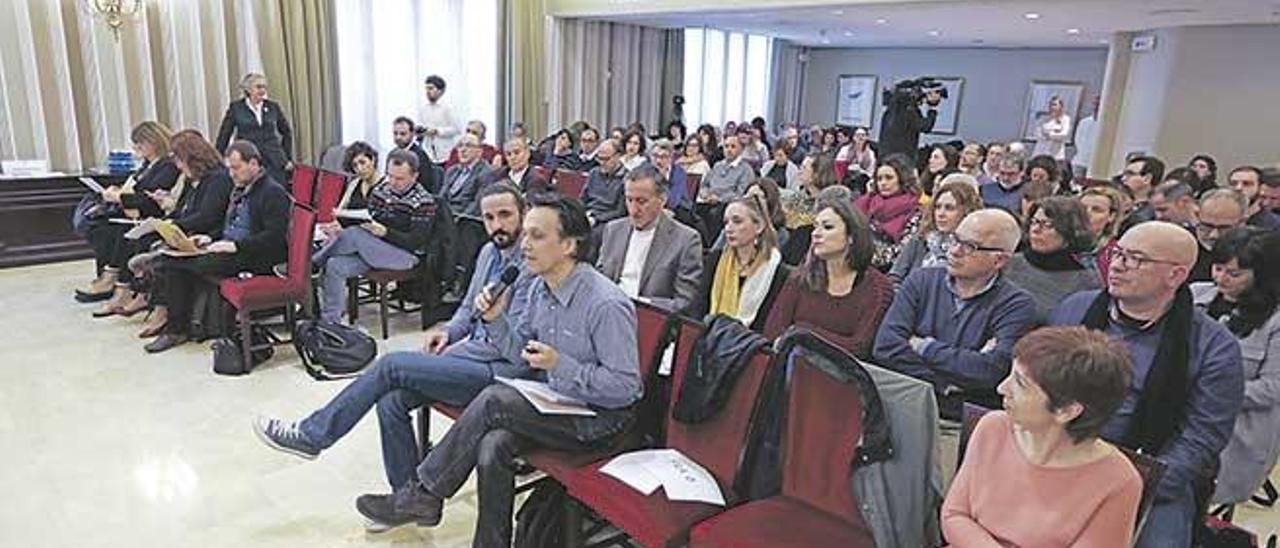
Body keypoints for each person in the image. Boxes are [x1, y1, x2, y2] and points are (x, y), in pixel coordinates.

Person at [357, 195, 641, 548]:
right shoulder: (540, 287)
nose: (525, 244)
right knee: (493, 445)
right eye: (526, 235)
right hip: (557, 401)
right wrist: (495, 321)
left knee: (494, 400)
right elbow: (518, 353)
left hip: (602, 419)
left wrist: (561, 365)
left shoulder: (606, 303)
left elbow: (626, 389)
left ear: (569, 245)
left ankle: (425, 491)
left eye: (537, 236)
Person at [252, 183, 535, 535]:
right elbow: (467, 308)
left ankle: (313, 435)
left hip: (499, 374)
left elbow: (515, 349)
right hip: (469, 356)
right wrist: (448, 331)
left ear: (524, 214)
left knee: (391, 365)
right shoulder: (489, 253)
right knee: (391, 400)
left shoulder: (532, 265)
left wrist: (473, 337)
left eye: (505, 215)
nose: (497, 225)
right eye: (489, 217)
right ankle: (410, 499)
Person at [1048, 221, 1244, 548]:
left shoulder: (1213, 346)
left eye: (1136, 259)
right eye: (1118, 253)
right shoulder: (1076, 308)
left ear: (1176, 275)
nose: (1118, 265)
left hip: (1147, 476)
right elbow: (1038, 386)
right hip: (1054, 454)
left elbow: (1201, 438)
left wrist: (1130, 483)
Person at [943, 326, 1142, 547]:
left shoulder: (1118, 481)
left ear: (1067, 410)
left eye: (1020, 383)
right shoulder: (993, 427)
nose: (1001, 388)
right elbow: (954, 515)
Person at [873, 208, 1037, 417]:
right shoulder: (921, 281)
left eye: (970, 246)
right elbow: (885, 346)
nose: (954, 251)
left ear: (999, 260)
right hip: (904, 405)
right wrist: (942, 383)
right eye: (955, 239)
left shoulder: (1016, 305)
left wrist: (923, 346)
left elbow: (991, 371)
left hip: (959, 419)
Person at [145, 140, 288, 353]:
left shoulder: (272, 192)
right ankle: (181, 325)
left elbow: (274, 238)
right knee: (173, 258)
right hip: (231, 248)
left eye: (236, 168)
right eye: (229, 168)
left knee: (174, 264)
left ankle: (176, 329)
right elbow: (227, 224)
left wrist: (235, 246)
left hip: (255, 256)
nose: (231, 174)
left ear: (254, 163)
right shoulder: (241, 188)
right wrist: (208, 238)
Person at [1189, 228, 1280, 506]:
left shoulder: (1274, 322)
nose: (1221, 279)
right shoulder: (1194, 296)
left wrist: (1207, 392)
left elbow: (1272, 388)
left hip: (1234, 435)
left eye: (1234, 274)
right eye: (1218, 269)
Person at [313, 150, 442, 324]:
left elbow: (415, 242)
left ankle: (313, 263)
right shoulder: (382, 189)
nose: (393, 183)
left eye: (400, 178)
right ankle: (331, 322)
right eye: (390, 176)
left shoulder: (424, 201)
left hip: (406, 255)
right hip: (375, 247)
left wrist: (385, 232)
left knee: (354, 235)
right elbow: (371, 214)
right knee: (334, 265)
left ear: (415, 176)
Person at [763, 197, 894, 358]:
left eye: (827, 227)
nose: (816, 233)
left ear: (852, 236)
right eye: (815, 226)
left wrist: (802, 332)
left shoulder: (879, 288)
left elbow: (859, 348)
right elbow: (772, 334)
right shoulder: (799, 278)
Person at [81, 121, 182, 313]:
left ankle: (122, 287)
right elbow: (135, 188)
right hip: (136, 213)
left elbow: (147, 198)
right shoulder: (147, 165)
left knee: (126, 233)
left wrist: (121, 197)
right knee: (105, 228)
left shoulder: (167, 166)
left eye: (139, 144)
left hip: (151, 214)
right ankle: (112, 279)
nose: (137, 149)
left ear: (153, 142)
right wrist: (118, 192)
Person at [597, 166, 703, 312]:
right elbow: (599, 279)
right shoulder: (613, 229)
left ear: (662, 199)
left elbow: (684, 302)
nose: (633, 210)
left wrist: (641, 304)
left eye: (641, 201)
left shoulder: (686, 240)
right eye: (629, 200)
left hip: (649, 317)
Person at [688, 194, 789, 332]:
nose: (729, 228)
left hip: (748, 345)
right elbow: (698, 308)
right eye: (726, 222)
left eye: (737, 221)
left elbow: (768, 324)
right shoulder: (715, 259)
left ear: (758, 226)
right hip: (707, 338)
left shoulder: (777, 272)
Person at [1004, 197, 1101, 325]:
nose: (1036, 230)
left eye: (1047, 225)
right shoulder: (1009, 263)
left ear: (1070, 231)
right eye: (1034, 222)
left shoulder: (1086, 281)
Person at [889, 181, 982, 285]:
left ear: (966, 212)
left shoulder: (974, 247)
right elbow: (895, 276)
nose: (941, 214)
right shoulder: (920, 239)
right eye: (937, 207)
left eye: (949, 208)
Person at [215, 73, 292, 184]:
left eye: (264, 87)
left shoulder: (273, 107)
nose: (262, 90)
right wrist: (219, 159)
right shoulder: (236, 108)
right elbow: (224, 135)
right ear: (248, 89)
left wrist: (286, 157)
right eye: (258, 87)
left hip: (274, 161)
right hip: (248, 160)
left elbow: (286, 132)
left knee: (275, 194)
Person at [855, 154, 922, 268]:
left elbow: (903, 252)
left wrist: (865, 256)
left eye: (889, 178)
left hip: (889, 271)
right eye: (879, 178)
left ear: (902, 179)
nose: (883, 183)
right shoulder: (865, 203)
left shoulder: (915, 211)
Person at [697, 134, 756, 240]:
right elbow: (704, 185)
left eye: (733, 147)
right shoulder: (717, 165)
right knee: (694, 212)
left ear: (741, 150)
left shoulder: (746, 169)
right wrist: (706, 194)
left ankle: (712, 246)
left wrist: (719, 198)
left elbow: (741, 194)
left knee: (714, 214)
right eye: (726, 146)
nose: (729, 150)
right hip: (709, 200)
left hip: (728, 204)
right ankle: (701, 243)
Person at [1191, 189, 1249, 282]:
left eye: (1224, 228)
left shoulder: (1257, 252)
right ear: (1197, 216)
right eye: (1207, 226)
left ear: (1242, 222)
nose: (1214, 235)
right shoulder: (1179, 246)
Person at [1080, 185, 1128, 284]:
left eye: (1096, 210)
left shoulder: (1115, 255)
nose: (1086, 214)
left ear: (1111, 216)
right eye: (1082, 208)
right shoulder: (1059, 243)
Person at [441, 134, 492, 221]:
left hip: (465, 220)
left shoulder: (486, 172)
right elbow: (442, 197)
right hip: (446, 217)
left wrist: (457, 220)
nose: (463, 150)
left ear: (479, 151)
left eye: (468, 145)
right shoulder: (452, 171)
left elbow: (477, 205)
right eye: (460, 146)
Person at [415, 75, 461, 164]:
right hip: (428, 152)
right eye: (426, 89)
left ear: (440, 91)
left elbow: (457, 129)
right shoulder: (423, 109)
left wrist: (437, 131)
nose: (427, 92)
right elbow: (421, 126)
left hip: (445, 153)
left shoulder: (448, 108)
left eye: (431, 88)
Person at [582, 139, 628, 227]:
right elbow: (583, 199)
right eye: (599, 158)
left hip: (607, 220)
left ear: (617, 156)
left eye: (606, 159)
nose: (602, 163)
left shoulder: (626, 178)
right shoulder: (594, 173)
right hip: (589, 214)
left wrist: (597, 219)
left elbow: (620, 212)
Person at [392, 116, 442, 193]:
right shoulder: (392, 154)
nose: (398, 137)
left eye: (403, 134)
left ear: (412, 134)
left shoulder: (419, 155)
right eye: (395, 133)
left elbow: (425, 186)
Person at [1119, 155, 1165, 232]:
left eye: (1130, 174)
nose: (1123, 178)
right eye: (1124, 174)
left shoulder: (1152, 214)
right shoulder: (1120, 204)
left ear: (1147, 179)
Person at [1229, 166, 1280, 231]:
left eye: (1247, 184)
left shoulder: (1274, 224)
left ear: (1260, 187)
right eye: (1233, 183)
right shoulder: (1216, 213)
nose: (1238, 188)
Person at [335, 141, 381, 211]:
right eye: (355, 165)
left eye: (362, 162)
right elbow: (340, 211)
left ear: (373, 160)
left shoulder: (386, 184)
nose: (359, 169)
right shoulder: (354, 184)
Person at [649, 139, 690, 211]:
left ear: (671, 158)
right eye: (655, 156)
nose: (658, 160)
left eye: (663, 156)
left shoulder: (679, 173)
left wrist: (661, 177)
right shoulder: (645, 169)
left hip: (679, 210)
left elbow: (672, 202)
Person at [1032, 95, 1071, 162]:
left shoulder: (1065, 119)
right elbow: (1037, 133)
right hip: (1041, 151)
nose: (1052, 107)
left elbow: (1064, 134)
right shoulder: (1044, 118)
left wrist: (1050, 135)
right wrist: (1046, 135)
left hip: (1056, 154)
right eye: (1050, 104)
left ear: (1061, 106)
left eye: (1055, 105)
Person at [1071, 96, 1101, 180]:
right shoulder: (1084, 122)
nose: (1096, 107)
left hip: (1095, 164)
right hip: (1080, 160)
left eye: (1098, 104)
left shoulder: (1106, 123)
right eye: (1095, 104)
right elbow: (1077, 139)